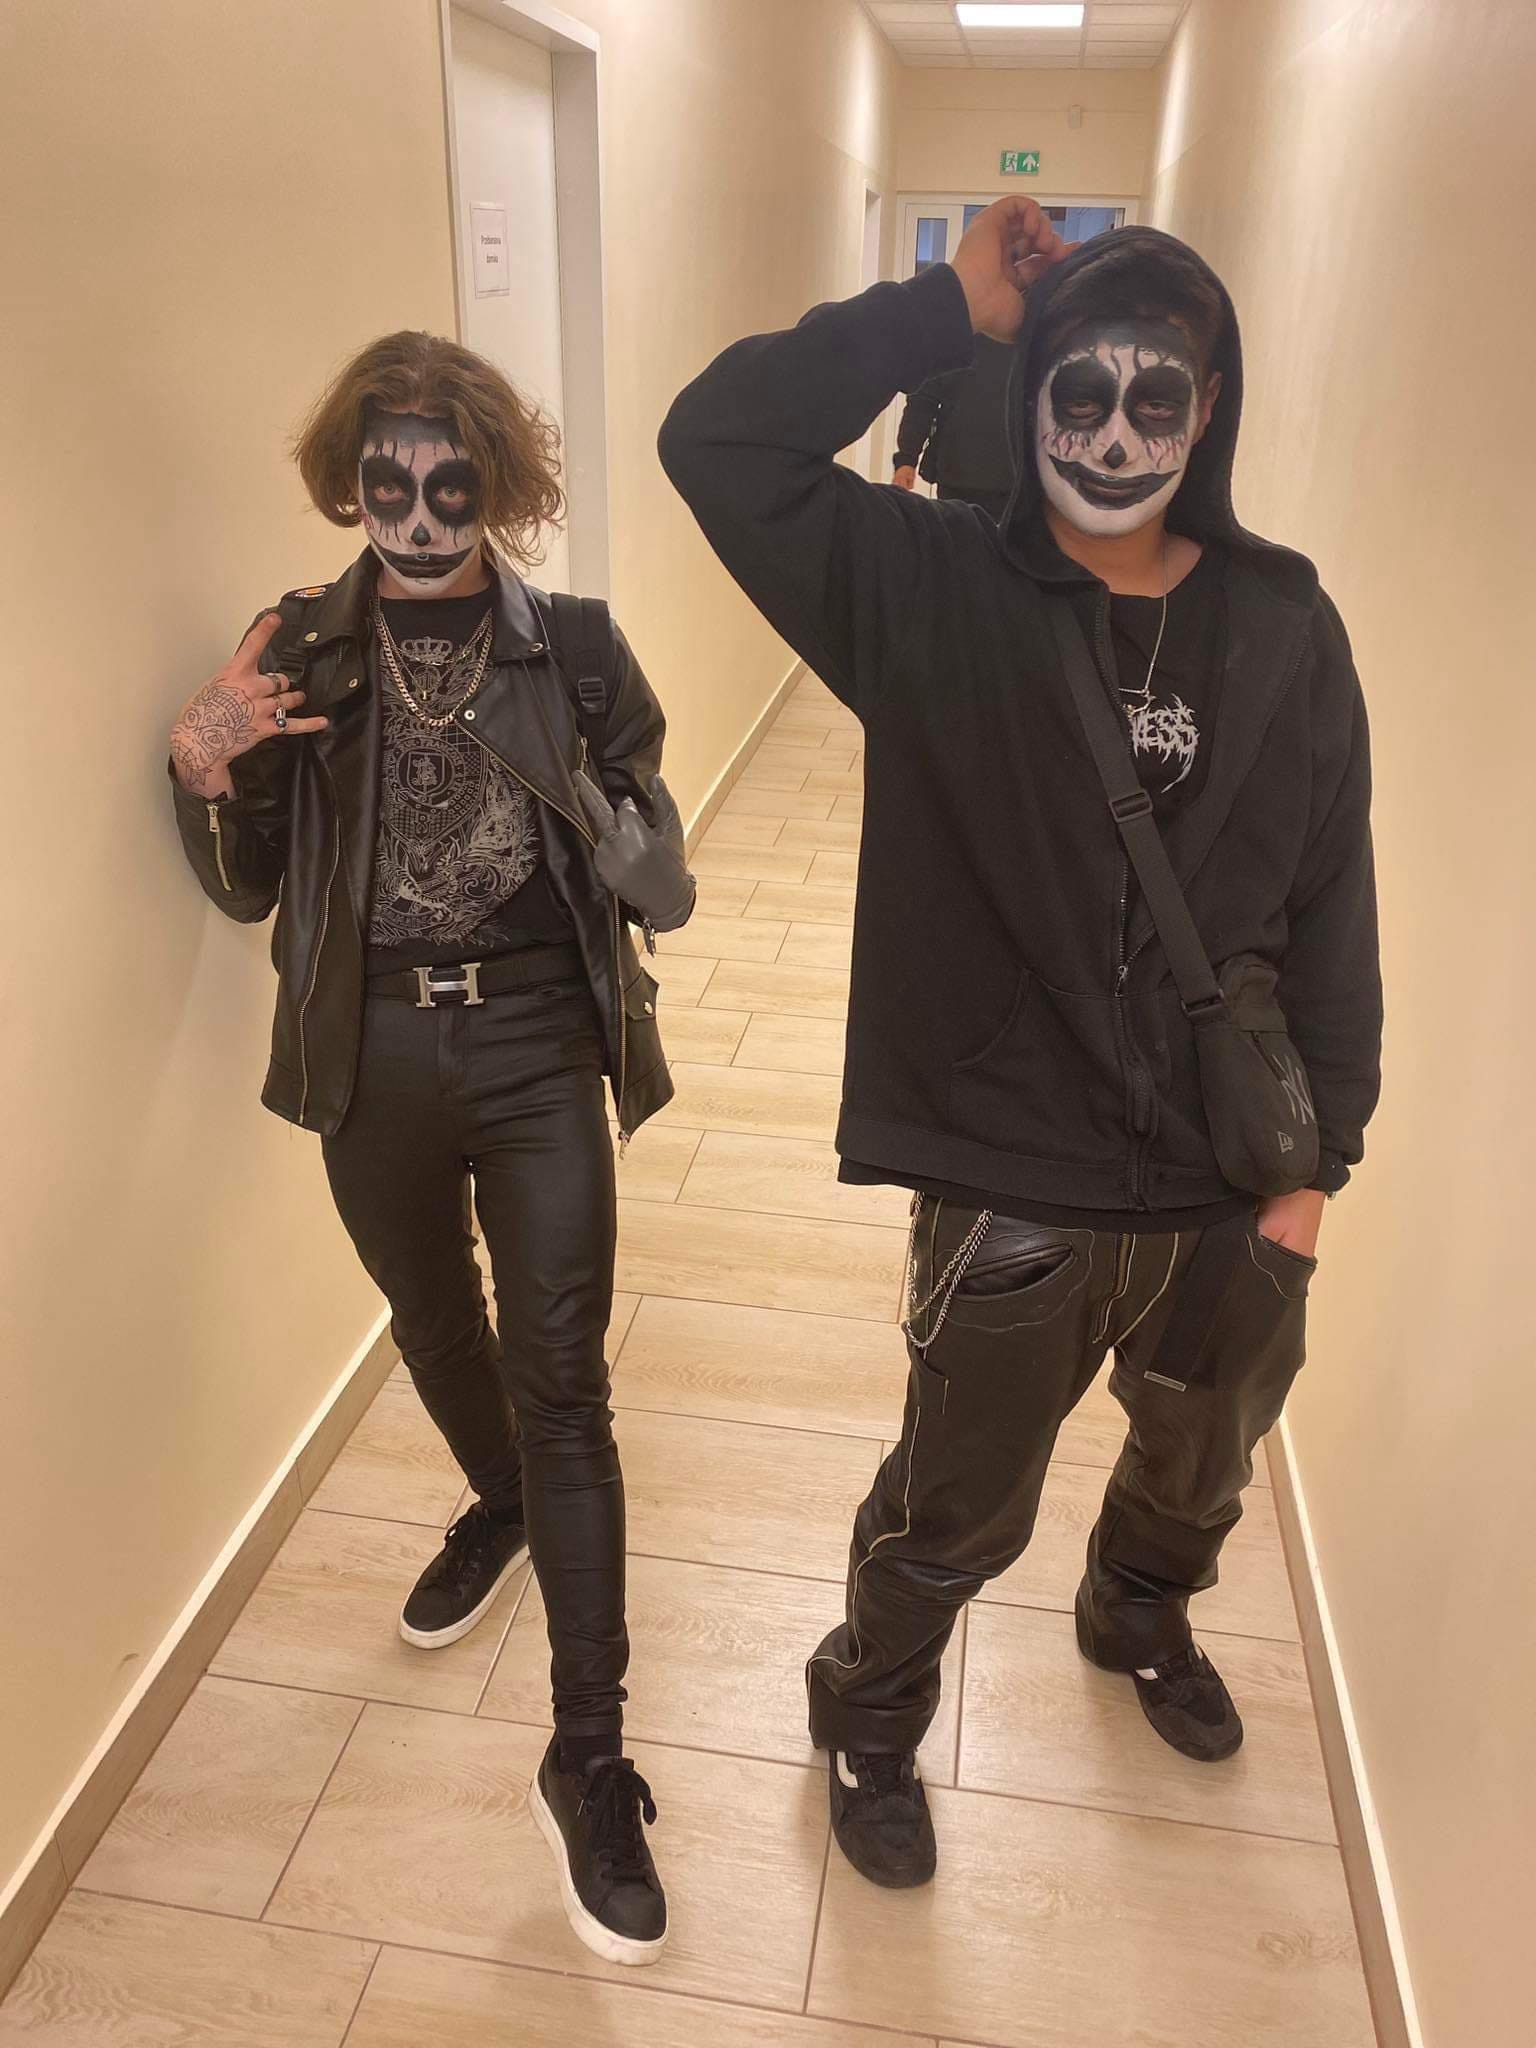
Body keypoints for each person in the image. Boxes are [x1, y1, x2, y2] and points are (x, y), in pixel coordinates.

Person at [660, 200, 1380, 1890]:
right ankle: (872, 1706)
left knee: (1201, 1459)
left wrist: (1319, 1167)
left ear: (1209, 411)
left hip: (1231, 1159)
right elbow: (720, 440)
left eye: (1157, 397)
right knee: (956, 1503)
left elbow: (1333, 896)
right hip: (1008, 1169)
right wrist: (942, 307)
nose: (1116, 435)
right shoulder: (927, 589)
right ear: (1031, 390)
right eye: (1081, 392)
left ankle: (1136, 1611)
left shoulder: (1287, 623)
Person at [168, 332, 679, 1963]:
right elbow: (249, 887)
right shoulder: (299, 648)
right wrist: (203, 764)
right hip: (370, 1048)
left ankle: (586, 1757)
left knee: (565, 1379)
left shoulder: (574, 651)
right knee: (431, 1318)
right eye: (384, 479)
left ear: (495, 484)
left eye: (448, 480)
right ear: (351, 481)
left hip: (534, 1042)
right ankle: (501, 1502)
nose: (414, 510)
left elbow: (657, 864)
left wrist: (635, 844)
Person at [891, 332, 1016, 520]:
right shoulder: (953, 339)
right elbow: (923, 402)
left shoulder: (1035, 337)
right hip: (961, 472)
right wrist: (906, 458)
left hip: (1008, 477)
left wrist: (906, 458)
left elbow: (923, 402)